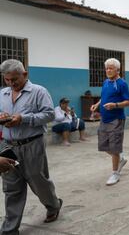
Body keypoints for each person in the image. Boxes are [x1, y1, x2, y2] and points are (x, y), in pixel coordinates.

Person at [0, 59, 62, 234]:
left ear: (24, 74)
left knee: (38, 181)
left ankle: (53, 205)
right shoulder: (2, 94)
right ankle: (10, 229)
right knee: (11, 188)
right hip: (7, 146)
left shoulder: (39, 91)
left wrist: (23, 118)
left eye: (15, 79)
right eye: (7, 80)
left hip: (32, 144)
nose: (11, 84)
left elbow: (49, 115)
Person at [90, 58, 129, 186]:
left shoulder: (122, 83)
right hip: (104, 118)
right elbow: (104, 97)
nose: (108, 70)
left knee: (114, 148)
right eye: (107, 68)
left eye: (111, 68)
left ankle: (115, 173)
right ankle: (121, 158)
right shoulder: (106, 82)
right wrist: (97, 105)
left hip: (116, 119)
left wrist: (115, 105)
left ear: (117, 70)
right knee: (103, 145)